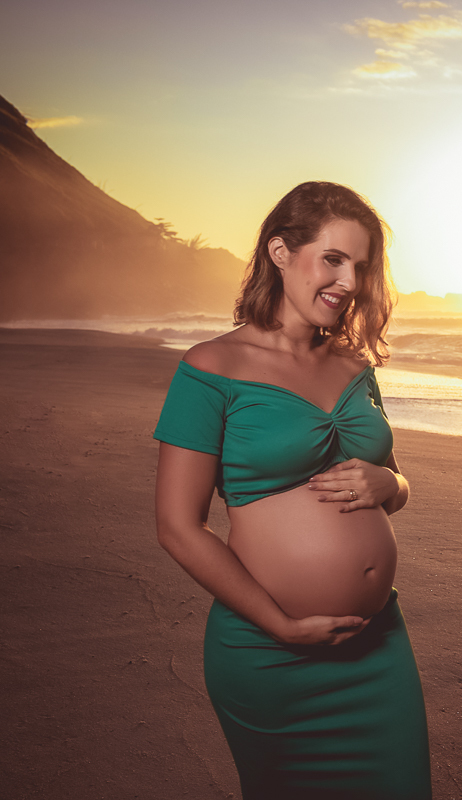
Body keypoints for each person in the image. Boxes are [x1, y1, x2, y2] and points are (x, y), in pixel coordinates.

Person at [153, 181, 431, 799]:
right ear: (280, 252)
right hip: (270, 652)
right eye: (333, 259)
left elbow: (394, 486)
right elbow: (177, 526)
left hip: (378, 643)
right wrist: (280, 625)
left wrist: (393, 481)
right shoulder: (211, 369)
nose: (349, 281)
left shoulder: (357, 367)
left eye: (361, 266)